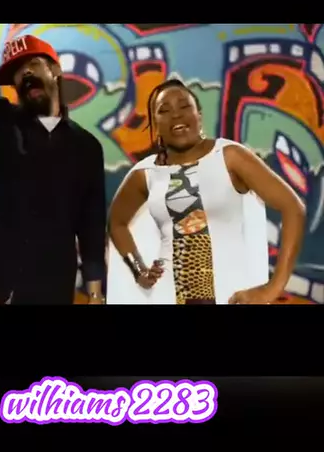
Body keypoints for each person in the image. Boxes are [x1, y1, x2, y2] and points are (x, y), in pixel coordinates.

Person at [0, 24, 106, 305]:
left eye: (33, 64)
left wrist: (94, 294)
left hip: (50, 292)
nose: (25, 73)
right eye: (17, 71)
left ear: (55, 70)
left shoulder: (87, 147)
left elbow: (91, 228)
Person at [107, 78, 306, 305]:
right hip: (166, 296)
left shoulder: (229, 156)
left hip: (231, 296)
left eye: (184, 106)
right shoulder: (146, 173)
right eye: (164, 110)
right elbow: (116, 222)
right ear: (155, 123)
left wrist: (272, 288)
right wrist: (138, 269)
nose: (176, 115)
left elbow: (293, 208)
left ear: (199, 115)